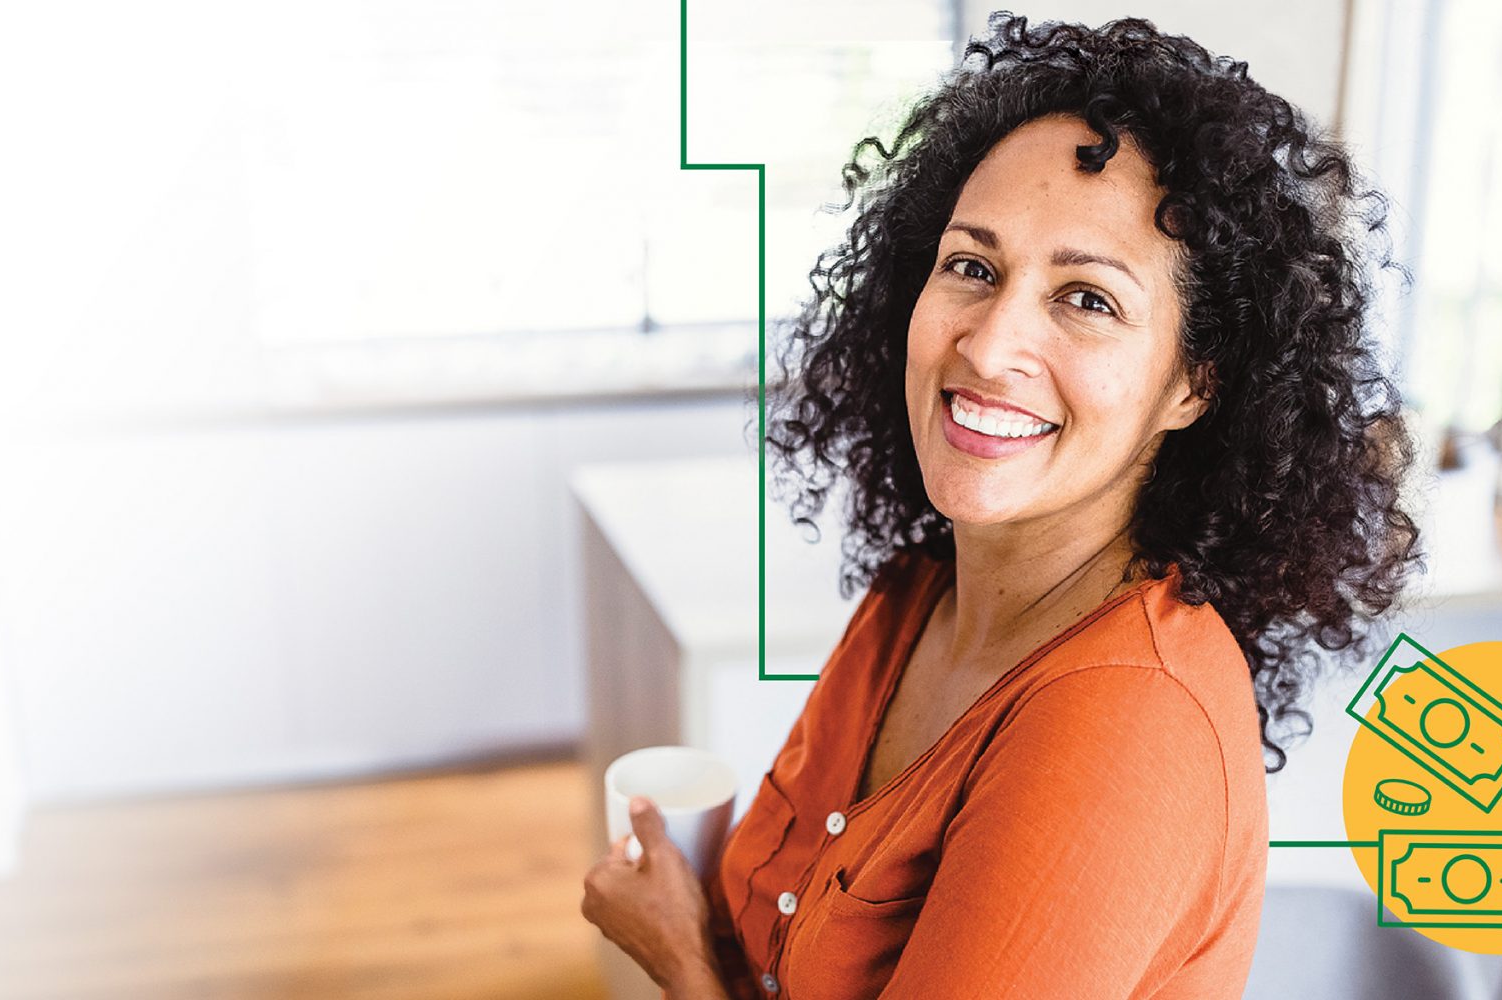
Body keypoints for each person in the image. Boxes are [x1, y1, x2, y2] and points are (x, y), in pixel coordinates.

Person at [582, 13, 1421, 1000]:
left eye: (1087, 299)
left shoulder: (1124, 728)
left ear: (1193, 384)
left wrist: (678, 956)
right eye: (972, 268)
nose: (987, 346)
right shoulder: (917, 595)